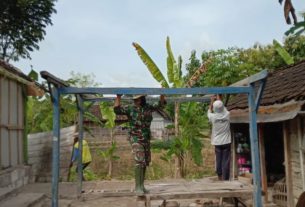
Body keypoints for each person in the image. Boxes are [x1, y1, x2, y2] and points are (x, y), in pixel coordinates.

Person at [114, 94, 165, 195]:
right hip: (136, 138)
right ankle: (137, 187)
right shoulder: (130, 109)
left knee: (145, 162)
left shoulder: (148, 108)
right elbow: (117, 110)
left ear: (142, 99)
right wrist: (118, 97)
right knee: (139, 160)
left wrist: (162, 95)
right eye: (134, 100)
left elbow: (160, 106)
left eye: (137, 99)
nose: (135, 101)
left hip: (146, 138)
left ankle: (142, 186)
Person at [207, 94, 231, 181]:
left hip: (217, 142)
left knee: (219, 160)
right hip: (226, 142)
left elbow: (209, 111)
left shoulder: (213, 117)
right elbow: (223, 107)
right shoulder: (227, 115)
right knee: (225, 161)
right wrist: (218, 99)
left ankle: (220, 177)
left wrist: (212, 101)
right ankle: (226, 178)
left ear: (215, 108)